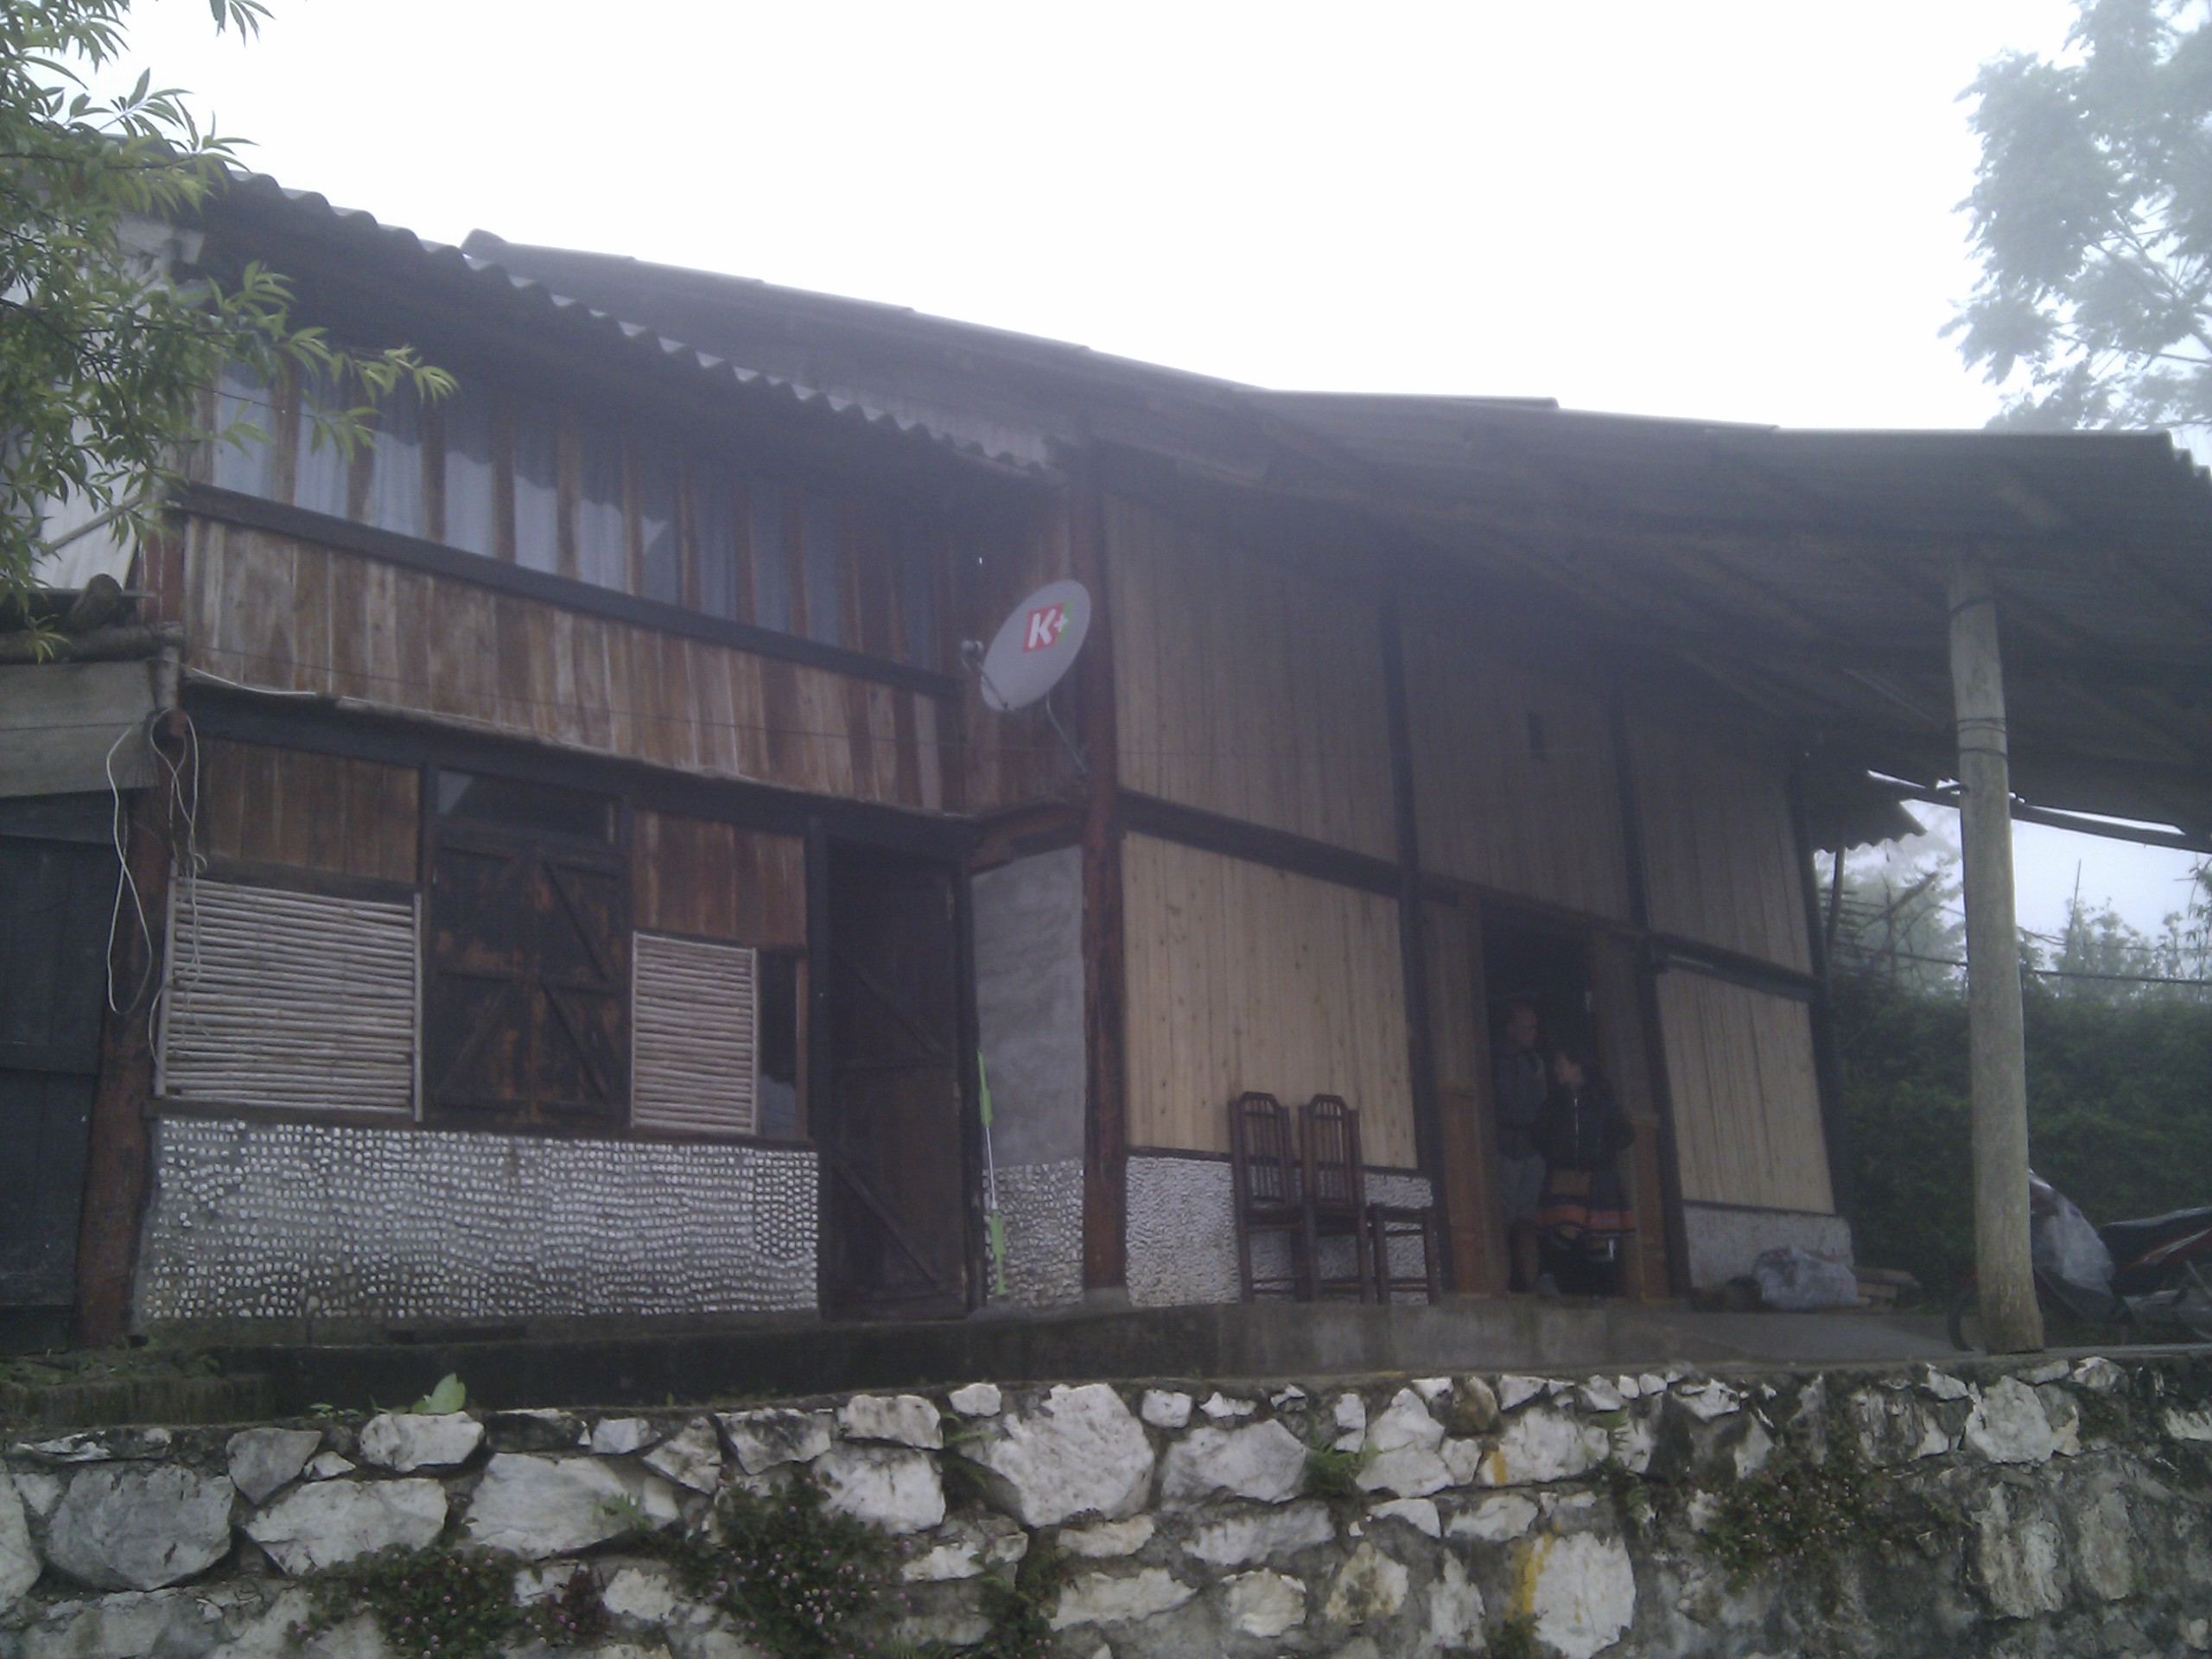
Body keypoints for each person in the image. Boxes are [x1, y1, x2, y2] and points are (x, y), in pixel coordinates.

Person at [1529, 1046, 1636, 1296]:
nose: (1556, 1070)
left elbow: (1625, 1133)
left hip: (1598, 1174)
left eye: (1561, 1063)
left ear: (1577, 1066)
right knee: (1567, 1224)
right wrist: (1556, 1154)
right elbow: (1539, 1133)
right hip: (1567, 1174)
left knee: (1598, 1235)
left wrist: (1602, 1149)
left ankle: (1602, 1293)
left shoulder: (1602, 1098)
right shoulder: (1555, 1101)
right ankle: (1548, 1277)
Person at [1492, 997, 1549, 1293]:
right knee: (1502, 1221)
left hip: (1532, 1148)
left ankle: (1531, 1285)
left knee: (1527, 1221)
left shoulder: (1536, 1061)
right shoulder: (1494, 1060)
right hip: (1505, 1147)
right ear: (1510, 1029)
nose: (1533, 1033)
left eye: (1534, 1027)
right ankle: (1500, 1283)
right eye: (1527, 1027)